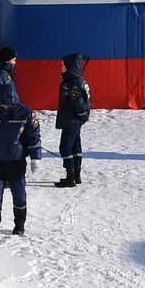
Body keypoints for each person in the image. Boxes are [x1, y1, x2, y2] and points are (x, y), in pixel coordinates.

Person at [0, 75, 42, 240]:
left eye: (9, 103)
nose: (5, 106)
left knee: (19, 194)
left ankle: (19, 226)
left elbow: (33, 136)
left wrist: (35, 157)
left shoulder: (25, 113)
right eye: (2, 103)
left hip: (16, 161)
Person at [54, 52, 91, 187]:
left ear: (69, 67)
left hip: (72, 120)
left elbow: (78, 103)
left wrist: (81, 116)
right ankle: (76, 174)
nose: (61, 68)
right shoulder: (78, 79)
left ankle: (70, 176)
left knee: (65, 147)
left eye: (63, 66)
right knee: (75, 145)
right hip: (74, 120)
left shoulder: (72, 83)